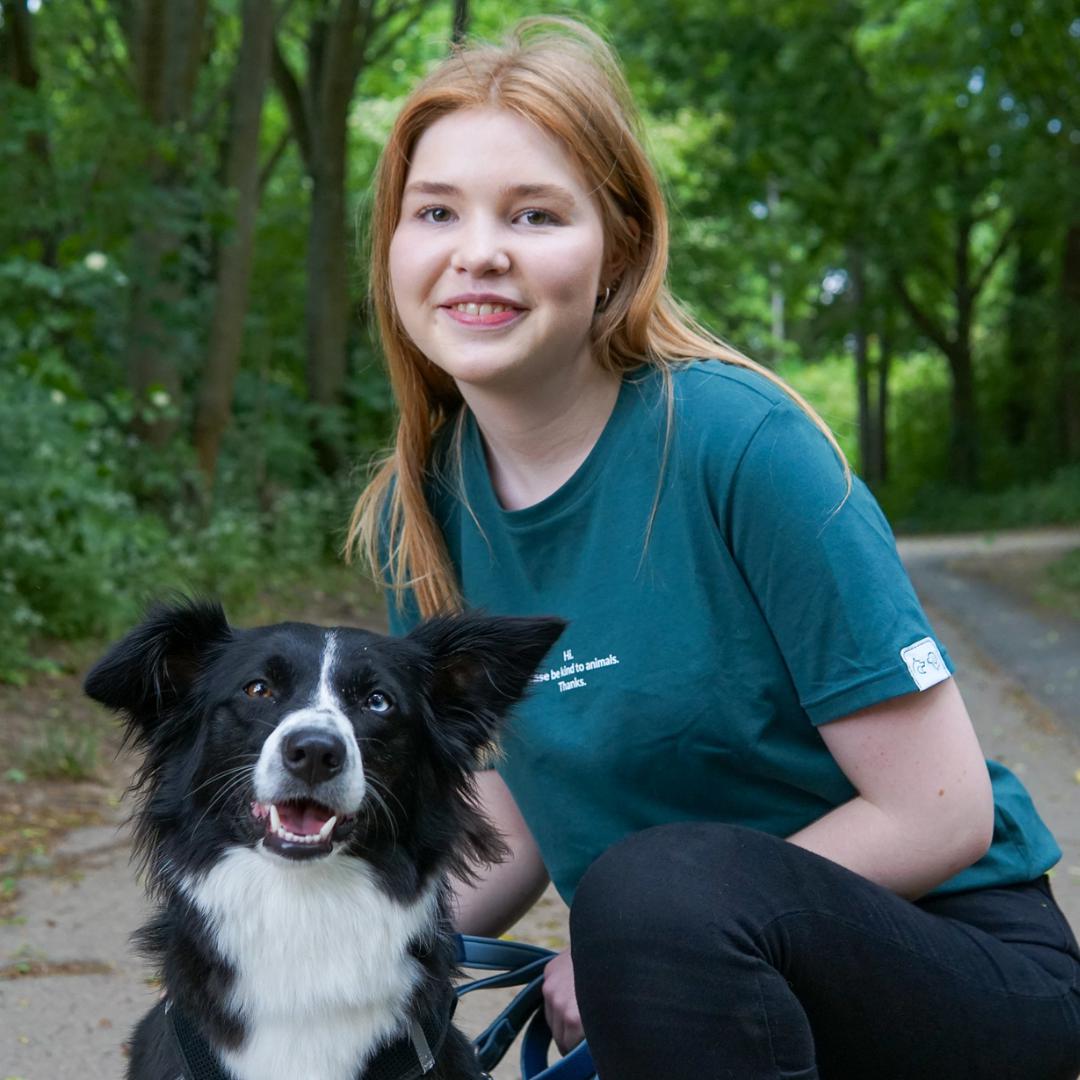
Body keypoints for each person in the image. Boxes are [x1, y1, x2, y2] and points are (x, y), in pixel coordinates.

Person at [347, 17, 1080, 1079]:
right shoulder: (415, 513)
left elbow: (942, 810)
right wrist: (348, 947)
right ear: (394, 247)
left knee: (647, 895)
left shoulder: (741, 444)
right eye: (437, 212)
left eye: (536, 213)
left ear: (619, 249)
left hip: (959, 960)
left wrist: (630, 942)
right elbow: (517, 797)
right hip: (698, 986)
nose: (480, 251)